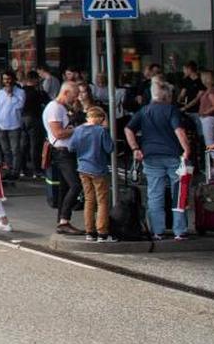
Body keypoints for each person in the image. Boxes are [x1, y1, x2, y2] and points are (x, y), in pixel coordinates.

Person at [125, 81, 192, 240]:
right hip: (174, 156)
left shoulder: (144, 111)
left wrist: (135, 148)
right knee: (179, 193)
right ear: (167, 96)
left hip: (151, 157)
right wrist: (187, 150)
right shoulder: (171, 110)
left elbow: (128, 128)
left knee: (155, 195)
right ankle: (179, 231)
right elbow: (179, 131)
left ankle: (157, 231)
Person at [68, 106, 116, 242]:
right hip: (98, 169)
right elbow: (110, 148)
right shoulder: (101, 131)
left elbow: (71, 147)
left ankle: (90, 232)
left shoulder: (78, 130)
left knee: (89, 200)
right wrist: (106, 129)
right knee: (102, 201)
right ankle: (102, 232)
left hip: (83, 168)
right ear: (100, 118)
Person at [44, 82, 85, 235]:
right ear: (66, 92)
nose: (74, 99)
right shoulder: (55, 108)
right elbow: (58, 133)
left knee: (64, 187)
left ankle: (61, 221)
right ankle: (64, 220)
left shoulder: (61, 108)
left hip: (65, 151)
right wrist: (79, 129)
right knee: (75, 185)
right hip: (62, 152)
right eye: (73, 96)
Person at [0, 71, 26, 179]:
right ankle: (8, 170)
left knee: (15, 149)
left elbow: (20, 106)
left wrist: (11, 95)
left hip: (14, 125)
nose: (7, 82)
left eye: (9, 79)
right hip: (2, 125)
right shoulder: (0, 92)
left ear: (13, 79)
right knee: (5, 150)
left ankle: (15, 172)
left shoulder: (20, 92)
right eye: (5, 79)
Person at [21, 71, 50, 179]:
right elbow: (47, 101)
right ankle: (36, 170)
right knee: (35, 145)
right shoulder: (37, 92)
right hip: (34, 118)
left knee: (23, 145)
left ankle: (23, 168)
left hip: (22, 118)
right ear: (34, 80)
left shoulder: (21, 91)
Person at [197, 70, 214, 149]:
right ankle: (213, 159)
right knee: (210, 141)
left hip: (209, 118)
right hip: (207, 118)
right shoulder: (210, 89)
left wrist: (205, 113)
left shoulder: (212, 90)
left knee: (210, 142)